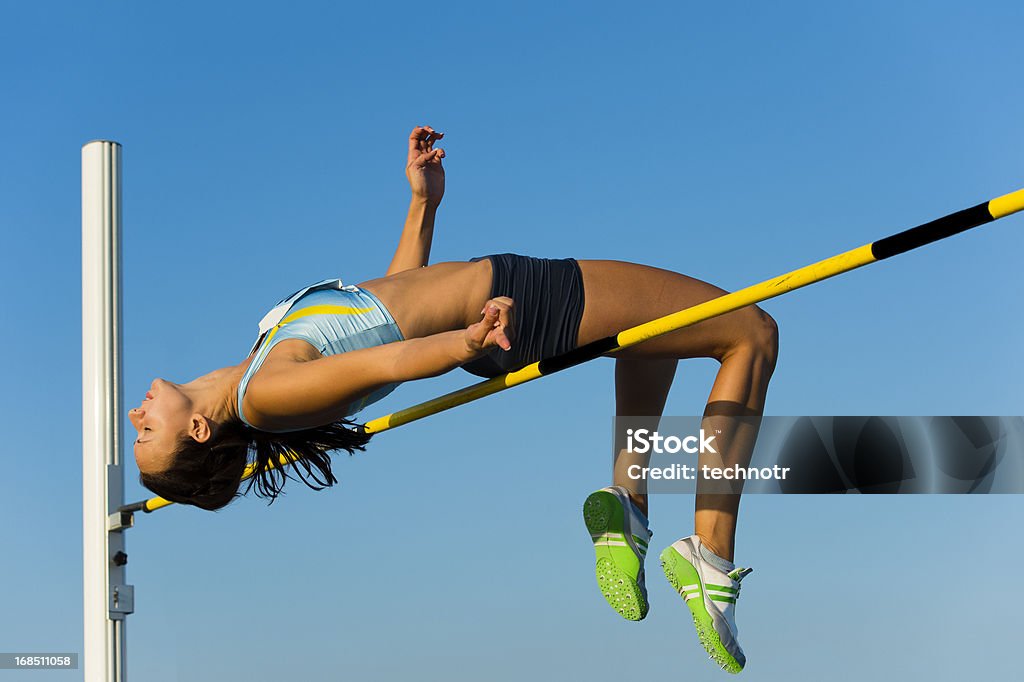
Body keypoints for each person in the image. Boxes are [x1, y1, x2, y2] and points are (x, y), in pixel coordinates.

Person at [130, 125, 778, 673]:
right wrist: (465, 343)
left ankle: (629, 507)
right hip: (508, 305)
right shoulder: (264, 392)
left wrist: (422, 206)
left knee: (650, 339)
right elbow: (394, 358)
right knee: (749, 332)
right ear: (196, 431)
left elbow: (388, 309)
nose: (137, 416)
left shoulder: (263, 357)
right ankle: (711, 555)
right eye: (145, 434)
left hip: (493, 304)